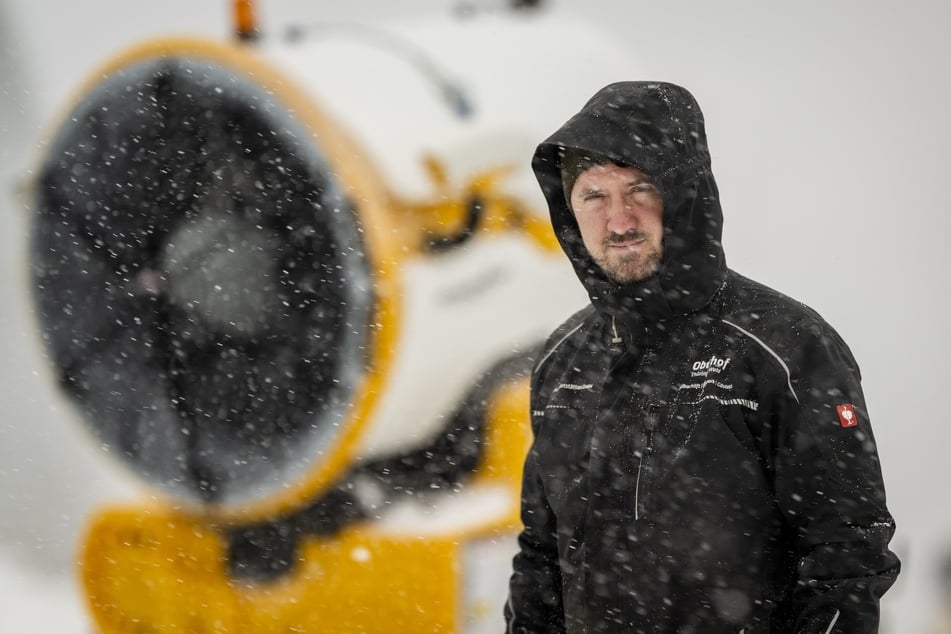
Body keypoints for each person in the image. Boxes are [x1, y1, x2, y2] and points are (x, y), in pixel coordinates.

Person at [504, 81, 900, 633]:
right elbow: (541, 557)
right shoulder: (565, 361)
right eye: (593, 195)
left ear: (685, 196)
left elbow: (846, 559)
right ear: (568, 210)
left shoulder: (784, 347)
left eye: (640, 189)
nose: (618, 221)